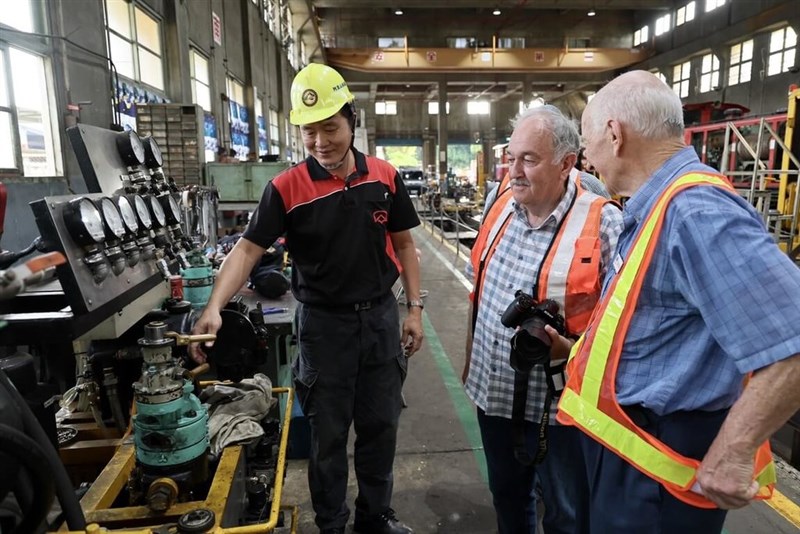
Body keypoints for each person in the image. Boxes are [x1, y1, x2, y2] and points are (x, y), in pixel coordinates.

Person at [555, 70, 800, 532]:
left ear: (615, 134)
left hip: (659, 466)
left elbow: (794, 340)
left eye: (587, 143)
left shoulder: (694, 213)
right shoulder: (658, 205)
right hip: (636, 449)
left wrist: (733, 452)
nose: (586, 159)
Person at [190, 63, 424, 534]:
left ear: (351, 121)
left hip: (379, 322)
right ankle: (332, 525)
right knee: (328, 438)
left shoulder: (384, 177)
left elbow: (404, 245)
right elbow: (247, 250)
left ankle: (375, 518)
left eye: (330, 128)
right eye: (310, 132)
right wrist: (214, 305)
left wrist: (414, 308)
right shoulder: (286, 188)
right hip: (324, 329)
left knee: (381, 430)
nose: (321, 141)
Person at [463, 105, 623, 534]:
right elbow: (476, 290)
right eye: (510, 157)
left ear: (566, 163)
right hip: (492, 393)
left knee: (568, 513)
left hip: (562, 408)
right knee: (508, 499)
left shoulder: (603, 222)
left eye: (529, 160)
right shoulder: (498, 208)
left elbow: (625, 326)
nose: (513, 171)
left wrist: (570, 348)